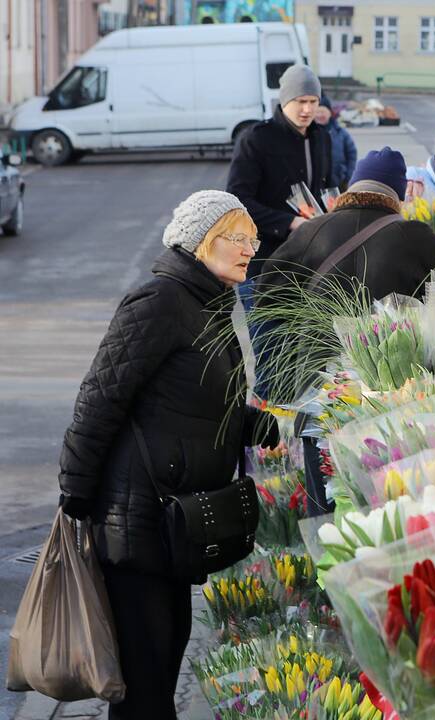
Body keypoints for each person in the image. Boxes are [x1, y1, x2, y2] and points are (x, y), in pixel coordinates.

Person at [57, 191, 278, 718]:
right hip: (134, 520)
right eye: (238, 239)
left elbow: (202, 402)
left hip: (175, 523)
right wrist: (76, 493)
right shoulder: (160, 301)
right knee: (145, 685)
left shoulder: (210, 304)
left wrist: (262, 424)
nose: (250, 250)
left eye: (254, 239)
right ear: (202, 242)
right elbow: (100, 398)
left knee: (161, 663)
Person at [257, 147, 435, 512]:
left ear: (351, 187)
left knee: (323, 497)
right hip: (388, 392)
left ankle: (326, 558)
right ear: (396, 195)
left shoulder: (311, 231)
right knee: (381, 499)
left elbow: (266, 297)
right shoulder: (415, 236)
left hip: (317, 387)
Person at [227, 64, 331, 304]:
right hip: (260, 262)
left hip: (306, 260)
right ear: (284, 100)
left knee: (301, 339)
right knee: (266, 339)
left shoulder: (322, 138)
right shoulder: (256, 139)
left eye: (313, 101)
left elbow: (328, 188)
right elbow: (238, 200)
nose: (307, 109)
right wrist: (290, 222)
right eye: (300, 101)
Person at [315, 95, 358, 192]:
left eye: (323, 112)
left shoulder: (340, 133)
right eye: (317, 112)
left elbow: (351, 154)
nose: (320, 115)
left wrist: (348, 175)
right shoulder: (309, 133)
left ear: (330, 113)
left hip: (338, 182)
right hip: (316, 184)